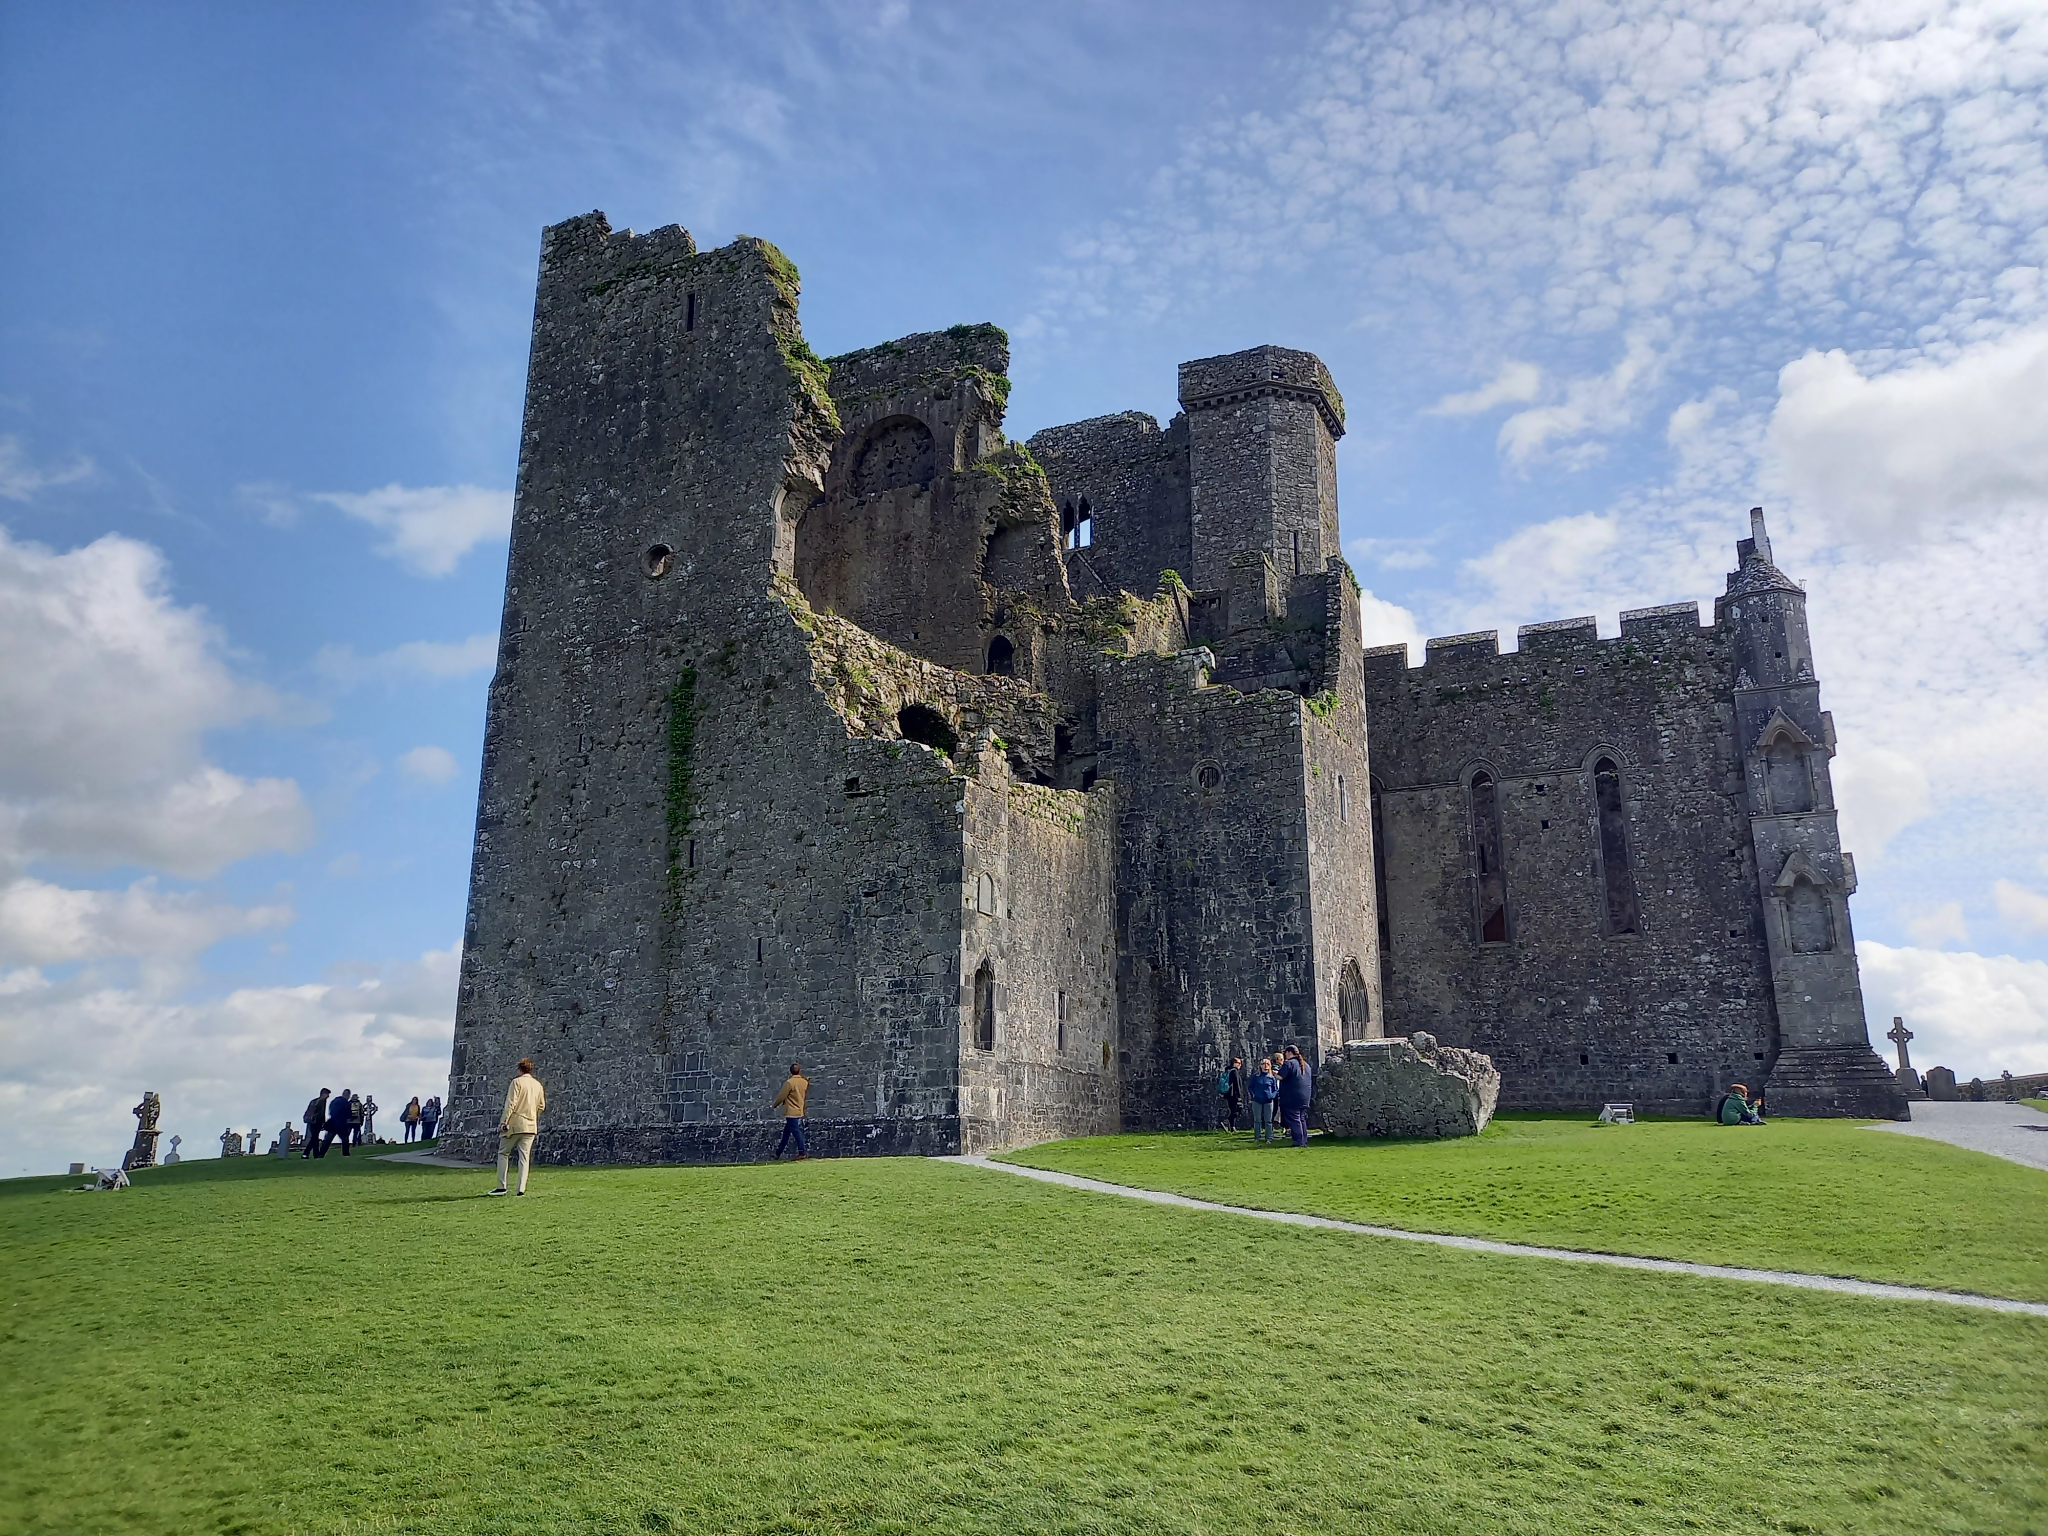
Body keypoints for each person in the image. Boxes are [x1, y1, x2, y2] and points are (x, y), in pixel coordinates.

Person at [491, 1059, 545, 1195]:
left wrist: (503, 1122)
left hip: (515, 1124)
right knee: (524, 1158)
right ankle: (521, 1188)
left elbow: (511, 1104)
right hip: (530, 1125)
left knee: (503, 1153)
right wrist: (533, 1115)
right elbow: (541, 1106)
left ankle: (501, 1186)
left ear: (520, 1069)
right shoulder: (538, 1085)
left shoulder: (516, 1082)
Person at [771, 1061, 810, 1159]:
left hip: (791, 1110)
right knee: (786, 1133)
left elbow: (782, 1096)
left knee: (796, 1132)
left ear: (790, 1072)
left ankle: (802, 1152)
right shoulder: (804, 1082)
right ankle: (778, 1153)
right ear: (799, 1071)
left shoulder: (789, 1083)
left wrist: (775, 1105)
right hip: (799, 1109)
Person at [1278, 1045, 1313, 1148]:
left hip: (1291, 1097)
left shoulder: (1289, 1063)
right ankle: (1304, 1141)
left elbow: (1281, 1076)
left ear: (1289, 1052)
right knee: (1301, 1119)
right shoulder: (1306, 1065)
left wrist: (1273, 1073)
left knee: (1294, 1120)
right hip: (1304, 1096)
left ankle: (1298, 1141)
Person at [1248, 1057, 1280, 1143]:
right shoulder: (1256, 1076)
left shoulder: (1272, 1077)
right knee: (1257, 1120)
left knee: (1268, 1120)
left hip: (1268, 1101)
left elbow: (1275, 1089)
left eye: (1267, 1064)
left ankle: (1269, 1138)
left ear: (1270, 1066)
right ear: (1260, 1066)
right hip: (1257, 1100)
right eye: (1263, 1064)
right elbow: (1250, 1087)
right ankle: (1257, 1137)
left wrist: (1272, 1096)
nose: (1265, 1065)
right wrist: (1253, 1095)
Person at [322, 1088, 354, 1156]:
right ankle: (346, 1153)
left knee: (328, 1140)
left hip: (333, 1122)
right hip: (341, 1124)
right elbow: (348, 1114)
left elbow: (330, 1111)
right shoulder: (346, 1103)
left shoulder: (334, 1101)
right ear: (348, 1095)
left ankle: (321, 1153)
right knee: (344, 1139)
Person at [301, 1089, 330, 1159]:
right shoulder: (321, 1101)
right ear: (323, 1094)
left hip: (312, 1121)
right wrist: (323, 1122)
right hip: (316, 1121)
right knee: (314, 1138)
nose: (328, 1096)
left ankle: (315, 1154)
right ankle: (306, 1153)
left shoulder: (315, 1101)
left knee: (315, 1138)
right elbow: (321, 1113)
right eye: (327, 1094)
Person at [1219, 1056, 1245, 1132]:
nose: (1240, 1065)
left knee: (1233, 1109)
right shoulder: (1234, 1071)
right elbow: (1237, 1084)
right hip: (1234, 1094)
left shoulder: (1228, 1071)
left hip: (1228, 1094)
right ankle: (1227, 1122)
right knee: (1237, 1109)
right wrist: (1239, 1095)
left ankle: (1232, 1127)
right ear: (1234, 1063)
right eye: (1238, 1063)